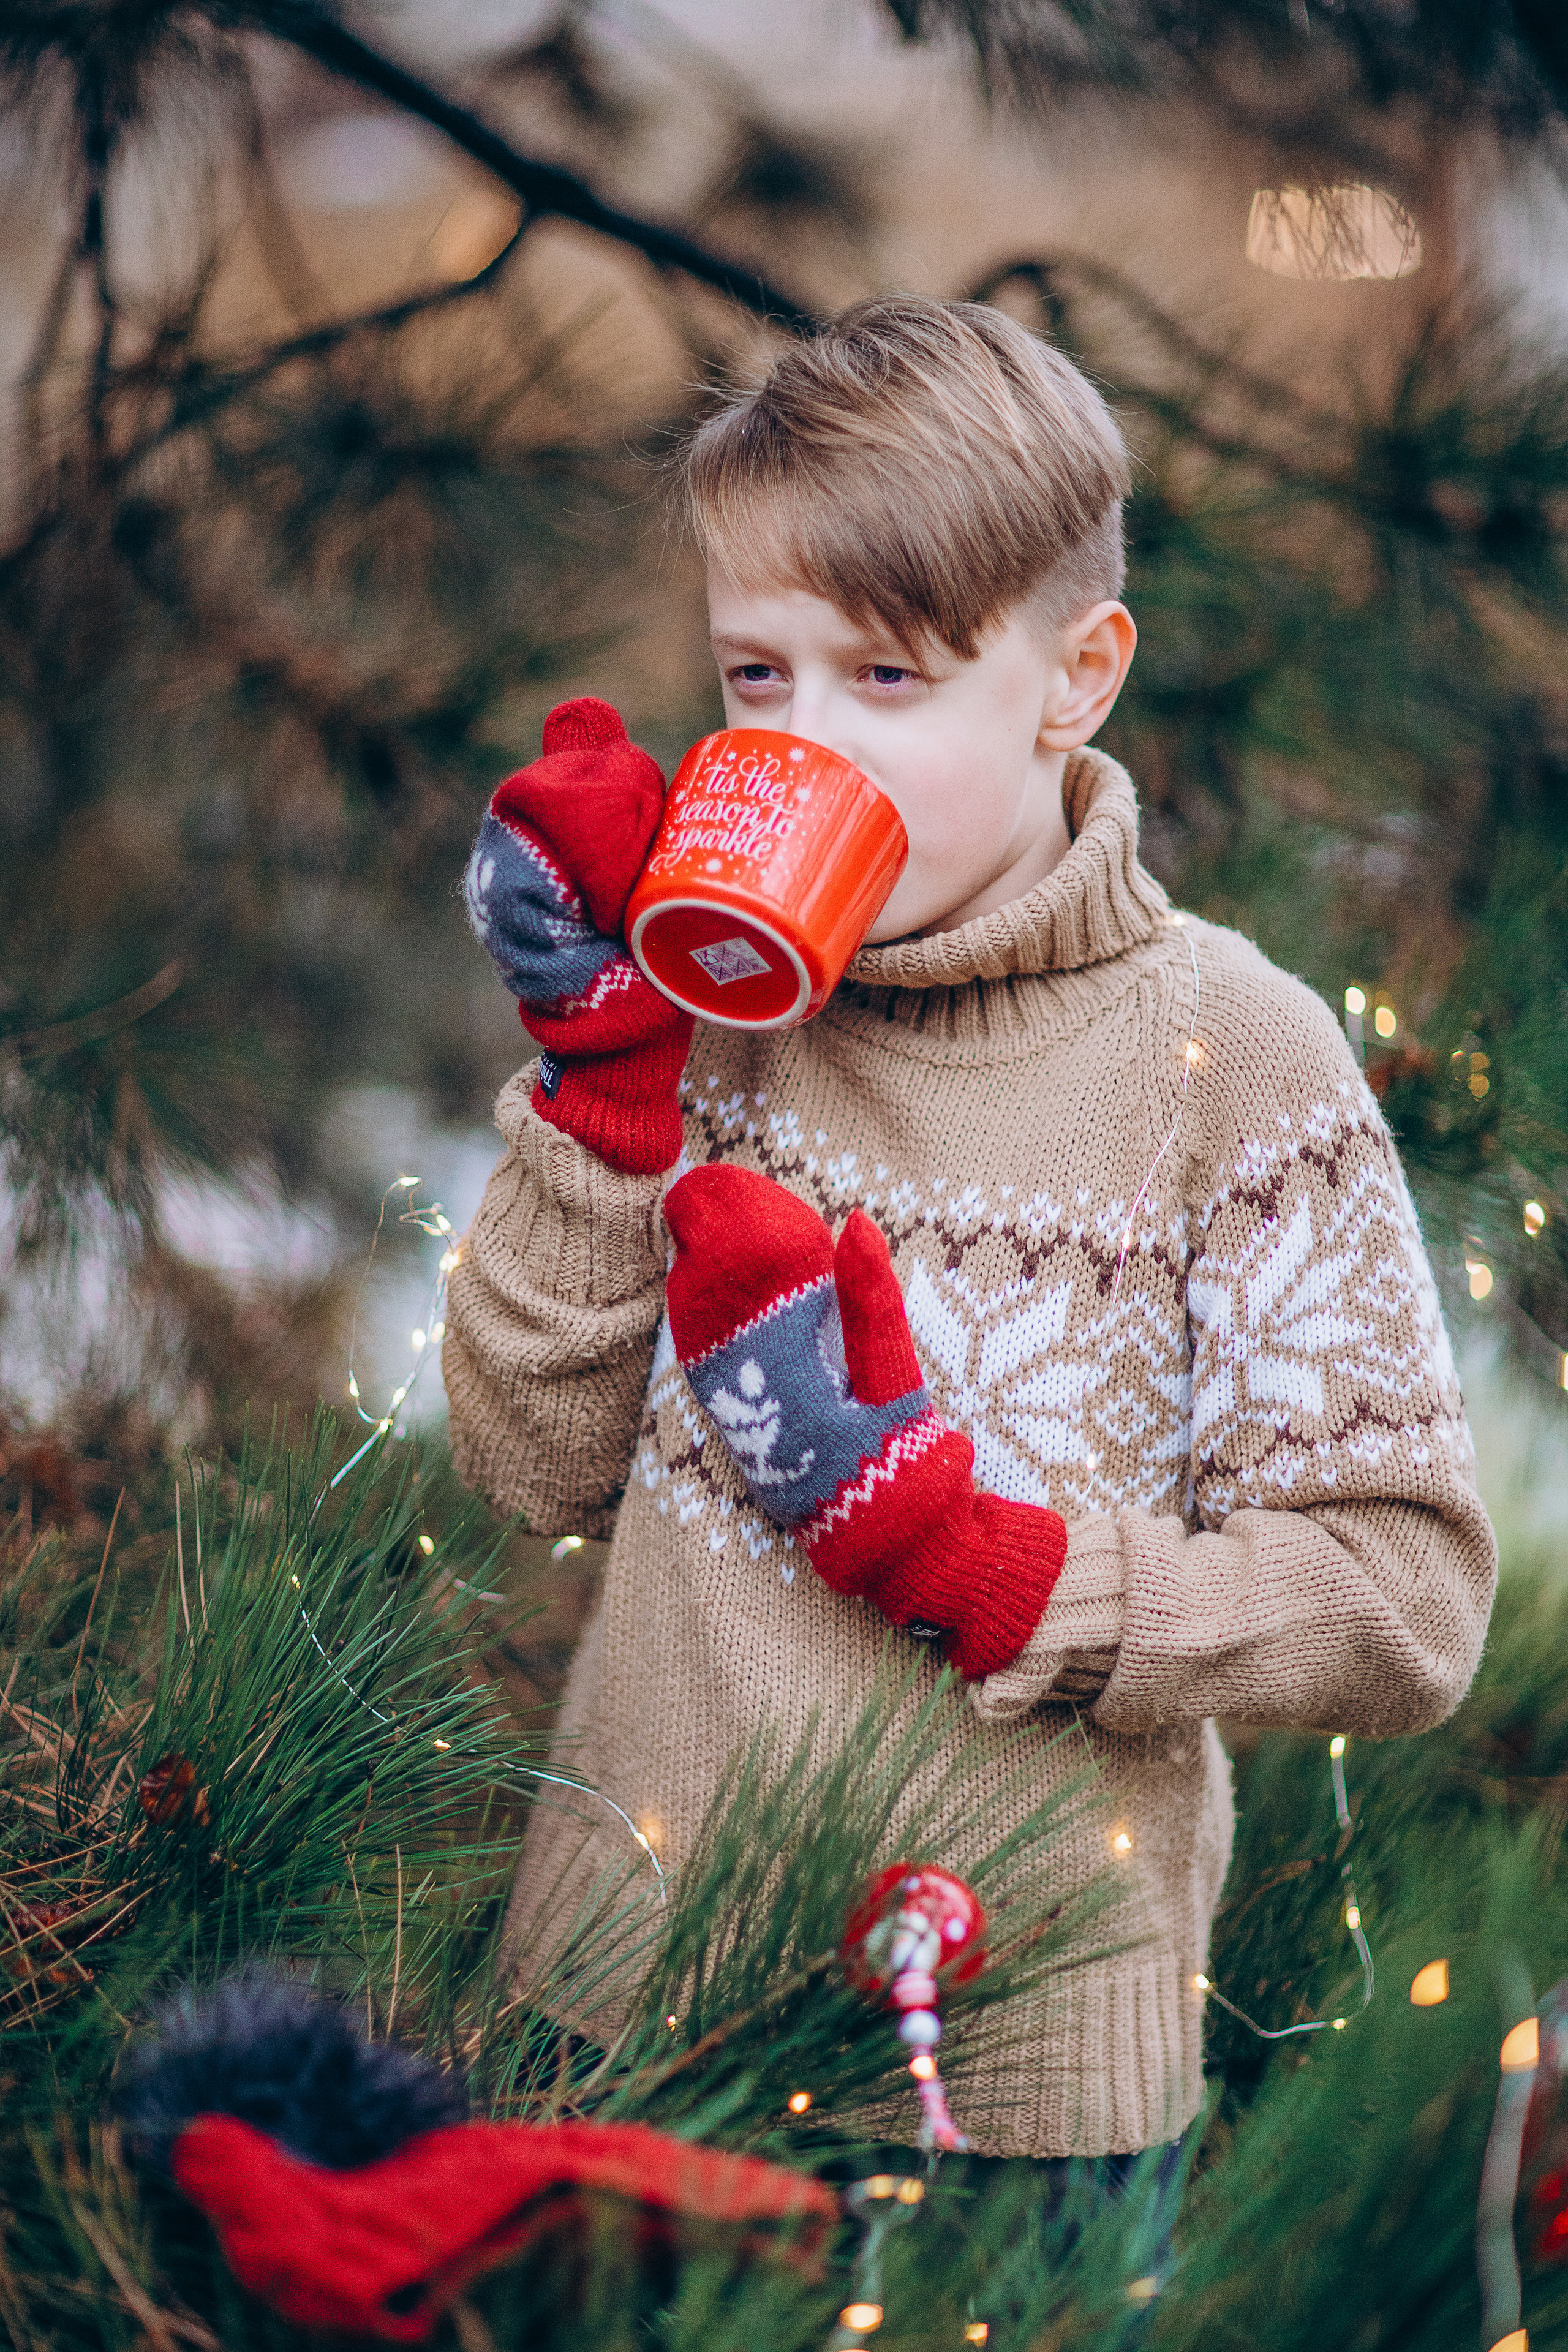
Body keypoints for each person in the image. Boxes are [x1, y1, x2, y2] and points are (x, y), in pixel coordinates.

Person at [443, 298, 1496, 2178]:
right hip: (612, 2018)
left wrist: (1012, 1574)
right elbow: (532, 1461)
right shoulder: (721, 1006)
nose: (806, 744)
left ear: (1076, 673)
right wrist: (608, 1086)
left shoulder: (1227, 1061)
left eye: (889, 679)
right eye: (758, 680)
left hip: (1009, 2093)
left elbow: (1403, 1597)